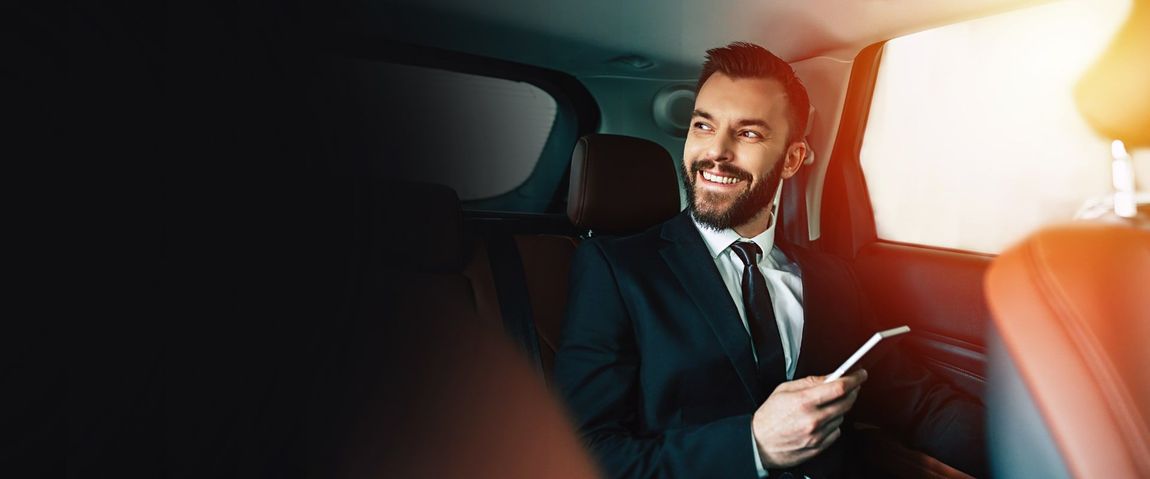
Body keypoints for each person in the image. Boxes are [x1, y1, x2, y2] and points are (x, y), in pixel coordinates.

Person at [553, 42, 986, 479]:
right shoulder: (616, 270)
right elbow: (585, 454)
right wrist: (754, 446)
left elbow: (917, 403)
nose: (715, 152)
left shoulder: (833, 279)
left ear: (793, 158)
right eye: (703, 126)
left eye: (748, 133)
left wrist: (1034, 453)